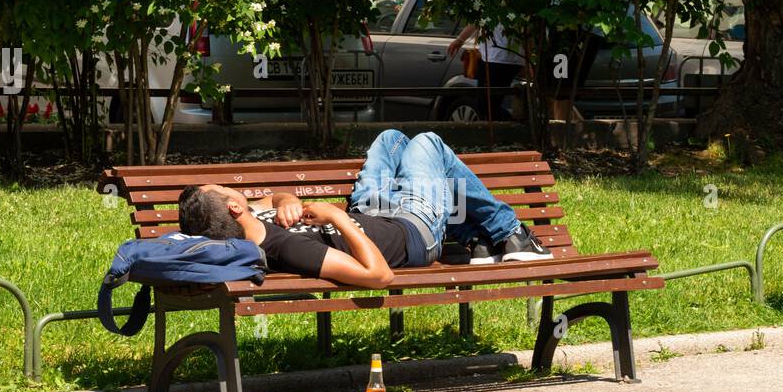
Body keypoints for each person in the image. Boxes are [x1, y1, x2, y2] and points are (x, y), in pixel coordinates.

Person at [178, 129, 552, 285]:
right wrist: (337, 217)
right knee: (428, 143)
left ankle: (473, 237)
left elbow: (274, 198)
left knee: (391, 140)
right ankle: (510, 233)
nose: (232, 186)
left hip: (372, 209)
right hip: (412, 229)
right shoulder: (286, 248)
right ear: (232, 208)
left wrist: (288, 200)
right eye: (224, 188)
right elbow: (379, 276)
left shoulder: (252, 221)